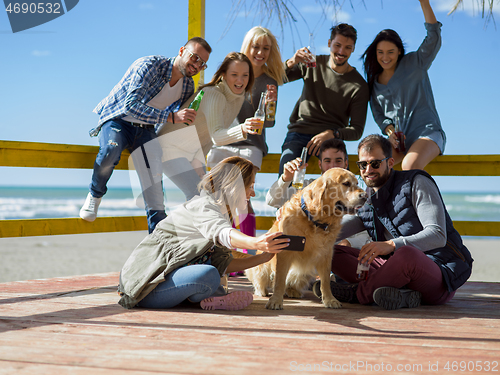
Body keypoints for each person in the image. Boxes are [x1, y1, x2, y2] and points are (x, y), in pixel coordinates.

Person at [314, 134, 473, 310]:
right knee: (329, 251)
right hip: (393, 270)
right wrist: (307, 233)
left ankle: (356, 294)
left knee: (406, 254)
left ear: (390, 163)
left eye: (375, 163)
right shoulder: (368, 198)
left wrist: (390, 245)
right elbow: (337, 228)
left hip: (439, 273)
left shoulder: (417, 182)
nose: (368, 170)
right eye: (362, 164)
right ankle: (403, 295)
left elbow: (437, 235)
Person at [117, 156, 290, 310]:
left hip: (166, 282)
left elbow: (223, 264)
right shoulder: (203, 205)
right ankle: (215, 296)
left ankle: (211, 296)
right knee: (209, 275)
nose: (252, 192)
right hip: (146, 288)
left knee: (213, 273)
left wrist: (263, 257)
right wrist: (256, 243)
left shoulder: (222, 213)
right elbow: (222, 232)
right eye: (250, 186)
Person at [79, 37, 212, 233]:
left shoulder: (187, 86)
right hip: (118, 119)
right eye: (194, 57)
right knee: (110, 150)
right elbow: (131, 105)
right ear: (182, 50)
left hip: (146, 129)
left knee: (154, 182)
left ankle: (157, 235)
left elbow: (174, 124)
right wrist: (172, 117)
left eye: (203, 63)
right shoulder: (150, 65)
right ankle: (94, 195)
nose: (197, 65)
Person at [206, 26, 287, 249]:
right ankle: (221, 251)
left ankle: (244, 252)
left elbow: (268, 123)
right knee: (218, 198)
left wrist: (269, 105)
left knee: (242, 198)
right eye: (256, 46)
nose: (260, 52)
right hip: (225, 142)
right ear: (247, 47)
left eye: (266, 48)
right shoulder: (233, 71)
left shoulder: (270, 81)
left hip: (251, 145)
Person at [158, 52, 259, 201]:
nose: (240, 80)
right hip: (167, 147)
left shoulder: (237, 97)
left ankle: (187, 224)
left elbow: (207, 136)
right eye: (234, 74)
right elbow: (217, 135)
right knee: (199, 197)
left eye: (245, 75)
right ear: (223, 74)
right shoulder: (214, 95)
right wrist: (243, 128)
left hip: (189, 152)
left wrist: (197, 160)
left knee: (208, 197)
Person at [362, 0, 445, 170]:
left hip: (428, 134)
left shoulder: (415, 63)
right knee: (373, 165)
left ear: (399, 51)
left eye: (390, 52)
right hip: (400, 142)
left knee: (409, 164)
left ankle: (422, 197)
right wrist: (391, 133)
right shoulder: (374, 82)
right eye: (380, 52)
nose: (385, 57)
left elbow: (434, 37)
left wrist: (424, 3)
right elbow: (380, 116)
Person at [278, 23, 369, 176]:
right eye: (337, 45)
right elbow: (278, 79)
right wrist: (292, 61)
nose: (341, 51)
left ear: (353, 48)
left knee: (339, 183)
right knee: (286, 178)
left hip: (332, 139)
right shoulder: (312, 63)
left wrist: (332, 134)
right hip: (300, 132)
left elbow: (357, 130)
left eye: (347, 47)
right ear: (329, 43)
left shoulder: (359, 85)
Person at [266, 138, 349, 208]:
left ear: (346, 164)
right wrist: (285, 179)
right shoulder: (308, 187)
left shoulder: (353, 191)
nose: (333, 166)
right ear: (320, 164)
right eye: (327, 161)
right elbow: (272, 201)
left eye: (338, 161)